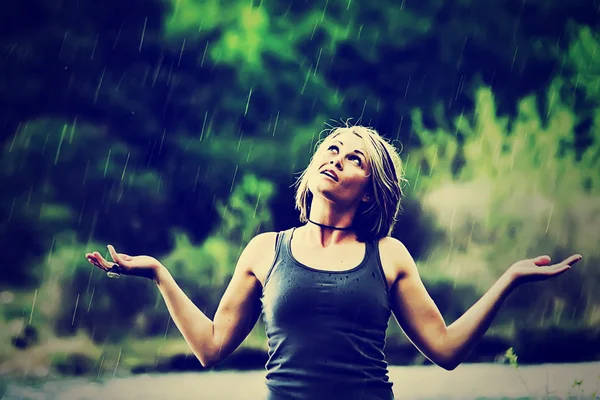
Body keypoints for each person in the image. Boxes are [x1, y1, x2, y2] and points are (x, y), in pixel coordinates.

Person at [86, 124, 582, 400]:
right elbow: (211, 349)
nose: (337, 159)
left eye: (354, 160)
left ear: (369, 192)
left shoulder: (388, 256)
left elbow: (446, 350)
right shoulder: (265, 250)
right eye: (332, 149)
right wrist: (158, 274)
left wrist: (510, 279)